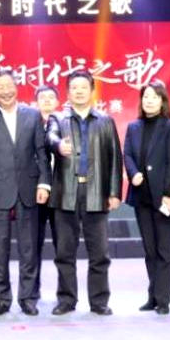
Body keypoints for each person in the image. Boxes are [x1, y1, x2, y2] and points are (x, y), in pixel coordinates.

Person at [46, 70, 123, 315]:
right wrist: (58, 145)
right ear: (68, 92)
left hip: (96, 193)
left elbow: (115, 158)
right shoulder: (58, 118)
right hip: (65, 194)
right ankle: (66, 300)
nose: (79, 91)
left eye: (83, 87)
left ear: (91, 91)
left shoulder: (105, 121)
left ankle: (99, 301)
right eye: (74, 87)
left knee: (99, 254)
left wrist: (114, 192)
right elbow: (49, 137)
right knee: (64, 253)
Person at [0, 69, 51, 316]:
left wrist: (44, 184)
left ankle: (28, 298)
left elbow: (41, 152)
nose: (6, 91)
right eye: (0, 87)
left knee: (29, 249)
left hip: (29, 189)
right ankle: (2, 298)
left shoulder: (32, 115)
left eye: (9, 86)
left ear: (16, 86)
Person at [124, 81, 170, 315]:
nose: (149, 100)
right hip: (141, 196)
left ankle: (163, 300)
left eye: (154, 97)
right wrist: (133, 173)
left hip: (164, 197)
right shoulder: (133, 127)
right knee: (150, 250)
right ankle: (153, 297)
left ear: (162, 101)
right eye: (146, 96)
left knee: (163, 250)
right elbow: (127, 154)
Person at [34, 84, 61, 295]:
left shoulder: (64, 123)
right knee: (34, 244)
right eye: (42, 97)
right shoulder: (29, 125)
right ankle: (32, 290)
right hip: (36, 192)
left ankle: (65, 291)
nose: (47, 100)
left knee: (63, 245)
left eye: (51, 97)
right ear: (36, 102)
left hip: (61, 191)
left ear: (58, 101)